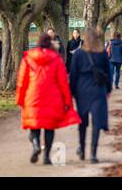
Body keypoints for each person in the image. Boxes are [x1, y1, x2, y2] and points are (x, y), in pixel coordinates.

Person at [16, 33, 81, 165]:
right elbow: (63, 82)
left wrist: (20, 99)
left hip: (33, 97)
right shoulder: (56, 59)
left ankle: (35, 145)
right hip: (53, 98)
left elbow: (22, 82)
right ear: (50, 44)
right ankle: (46, 157)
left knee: (34, 126)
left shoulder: (28, 59)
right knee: (49, 128)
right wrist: (67, 101)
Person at [69, 28, 112, 164]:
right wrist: (108, 90)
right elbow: (108, 74)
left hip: (82, 90)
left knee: (82, 122)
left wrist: (72, 92)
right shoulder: (102, 54)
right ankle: (93, 153)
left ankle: (82, 148)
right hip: (98, 90)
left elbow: (73, 74)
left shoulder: (79, 54)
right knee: (97, 122)